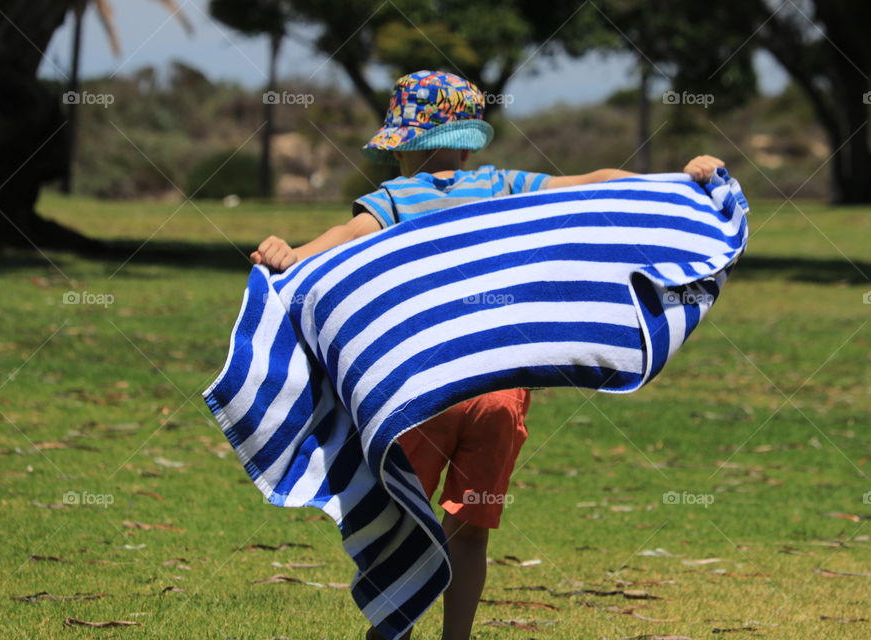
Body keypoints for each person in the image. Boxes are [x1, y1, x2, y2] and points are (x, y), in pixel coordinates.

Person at [250, 70, 724, 640]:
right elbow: (596, 183)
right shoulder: (504, 187)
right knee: (471, 529)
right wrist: (681, 180)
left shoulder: (394, 198)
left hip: (423, 396)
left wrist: (290, 252)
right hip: (497, 395)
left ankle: (388, 631)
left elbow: (342, 241)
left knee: (404, 518)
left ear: (404, 142)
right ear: (469, 139)